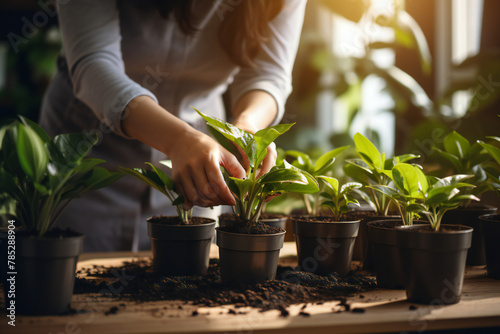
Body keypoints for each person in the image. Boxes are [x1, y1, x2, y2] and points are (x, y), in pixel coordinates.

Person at [39, 0, 306, 252]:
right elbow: (93, 63)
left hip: (200, 154)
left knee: (184, 284)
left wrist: (245, 130)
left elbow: (268, 73)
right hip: (92, 147)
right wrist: (178, 140)